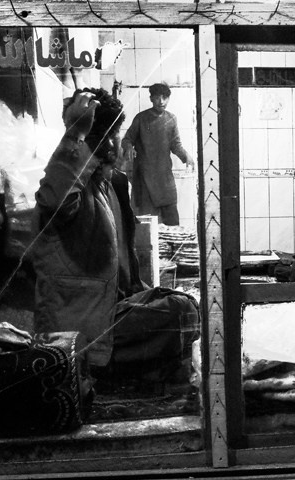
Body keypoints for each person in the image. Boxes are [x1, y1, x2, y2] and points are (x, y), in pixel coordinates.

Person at [32, 87, 199, 387]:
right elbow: (55, 201)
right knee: (180, 314)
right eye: (109, 135)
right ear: (91, 140)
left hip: (113, 309)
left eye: (116, 134)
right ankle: (107, 373)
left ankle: (146, 371)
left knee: (186, 304)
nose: (117, 143)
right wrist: (74, 134)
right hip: (83, 330)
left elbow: (126, 272)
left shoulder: (111, 186)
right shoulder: (72, 187)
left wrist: (144, 294)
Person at [121, 82, 193, 226]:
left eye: (165, 97)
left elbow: (175, 145)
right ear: (151, 99)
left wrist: (187, 157)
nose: (161, 101)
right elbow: (127, 139)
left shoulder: (171, 119)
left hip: (165, 177)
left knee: (172, 221)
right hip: (144, 178)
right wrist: (129, 148)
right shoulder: (141, 118)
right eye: (157, 98)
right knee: (147, 224)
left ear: (168, 99)